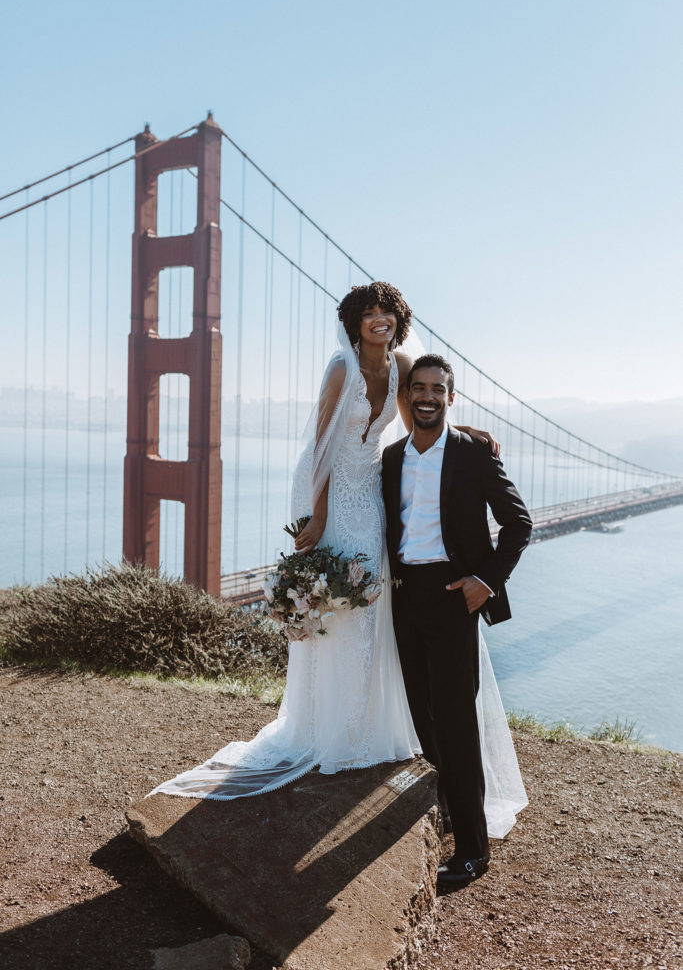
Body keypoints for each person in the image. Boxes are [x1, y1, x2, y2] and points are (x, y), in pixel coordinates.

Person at [144, 284, 527, 849]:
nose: (379, 320)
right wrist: (316, 517)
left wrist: (463, 432)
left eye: (388, 313)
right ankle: (333, 730)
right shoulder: (340, 369)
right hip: (331, 491)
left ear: (400, 321)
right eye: (369, 313)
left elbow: (418, 416)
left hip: (370, 494)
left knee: (373, 604)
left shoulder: (400, 363)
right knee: (338, 606)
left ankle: (372, 727)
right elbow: (321, 444)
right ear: (354, 321)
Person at [382, 353, 532, 885]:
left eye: (437, 389)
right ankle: (443, 811)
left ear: (451, 396)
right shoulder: (394, 458)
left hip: (452, 597)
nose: (427, 396)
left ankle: (472, 849)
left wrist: (486, 580)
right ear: (408, 396)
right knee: (422, 716)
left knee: (456, 722)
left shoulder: (474, 455)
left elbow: (518, 524)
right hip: (402, 596)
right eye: (418, 388)